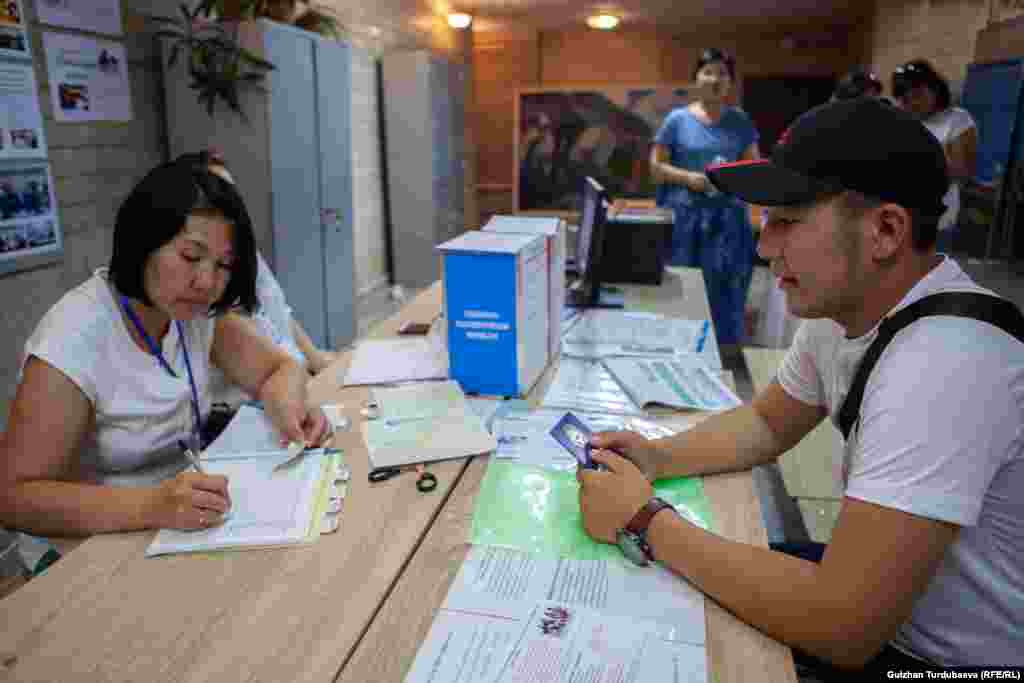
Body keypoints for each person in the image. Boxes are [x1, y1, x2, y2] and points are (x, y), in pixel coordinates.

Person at [579, 98, 1022, 672]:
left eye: (788, 220)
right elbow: (766, 423)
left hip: (936, 658)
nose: (765, 246)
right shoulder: (848, 310)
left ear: (885, 230)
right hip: (878, 606)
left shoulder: (945, 364)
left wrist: (644, 520)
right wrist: (656, 457)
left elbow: (844, 625)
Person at [0, 155, 330, 537]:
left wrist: (287, 408)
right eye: (190, 256)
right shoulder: (73, 337)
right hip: (87, 546)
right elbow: (14, 498)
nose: (207, 282)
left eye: (224, 265)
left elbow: (280, 368)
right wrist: (151, 504)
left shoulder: (191, 315)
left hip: (177, 525)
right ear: (142, 243)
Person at [194, 150, 339, 378]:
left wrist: (320, 364)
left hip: (296, 371)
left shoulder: (248, 253)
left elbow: (280, 312)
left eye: (231, 190)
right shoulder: (206, 298)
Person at [650, 47, 760, 346]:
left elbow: (755, 169)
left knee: (726, 293)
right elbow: (655, 167)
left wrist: (731, 179)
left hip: (728, 223)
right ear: (696, 78)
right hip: (685, 222)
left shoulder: (741, 122)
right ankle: (678, 352)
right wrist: (688, 178)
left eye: (722, 73)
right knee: (683, 289)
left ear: (731, 82)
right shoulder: (677, 120)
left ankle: (723, 360)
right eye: (708, 71)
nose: (715, 79)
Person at [893, 59, 978, 255]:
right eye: (905, 99)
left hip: (938, 217)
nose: (912, 102)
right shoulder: (902, 120)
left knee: (930, 271)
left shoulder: (957, 119)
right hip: (901, 213)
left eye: (918, 94)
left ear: (935, 90)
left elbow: (962, 170)